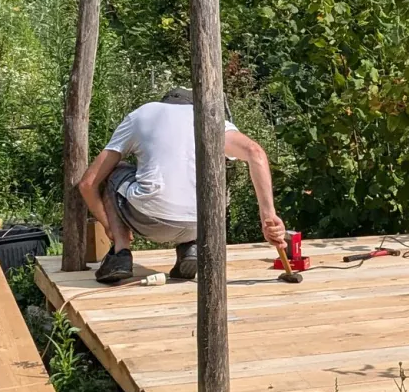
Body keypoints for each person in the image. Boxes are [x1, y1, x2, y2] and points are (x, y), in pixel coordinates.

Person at [77, 87, 288, 284]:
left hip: (148, 219)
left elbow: (88, 183)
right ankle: (191, 249)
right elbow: (255, 152)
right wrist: (268, 217)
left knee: (115, 170)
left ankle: (120, 254)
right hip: (204, 225)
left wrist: (108, 225)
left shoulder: (143, 114)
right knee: (197, 181)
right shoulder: (213, 119)